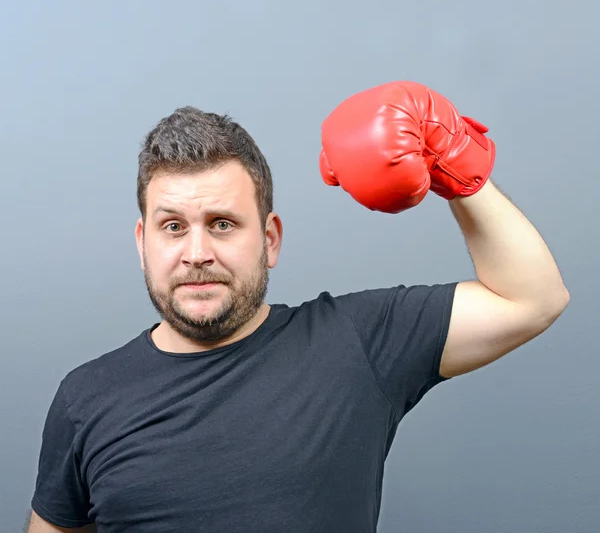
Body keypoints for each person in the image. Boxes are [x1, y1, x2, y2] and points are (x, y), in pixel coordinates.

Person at [27, 82, 569, 533]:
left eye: (222, 224)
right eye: (174, 227)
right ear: (143, 242)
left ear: (271, 240)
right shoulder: (86, 397)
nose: (197, 254)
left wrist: (458, 169)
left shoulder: (355, 342)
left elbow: (532, 298)